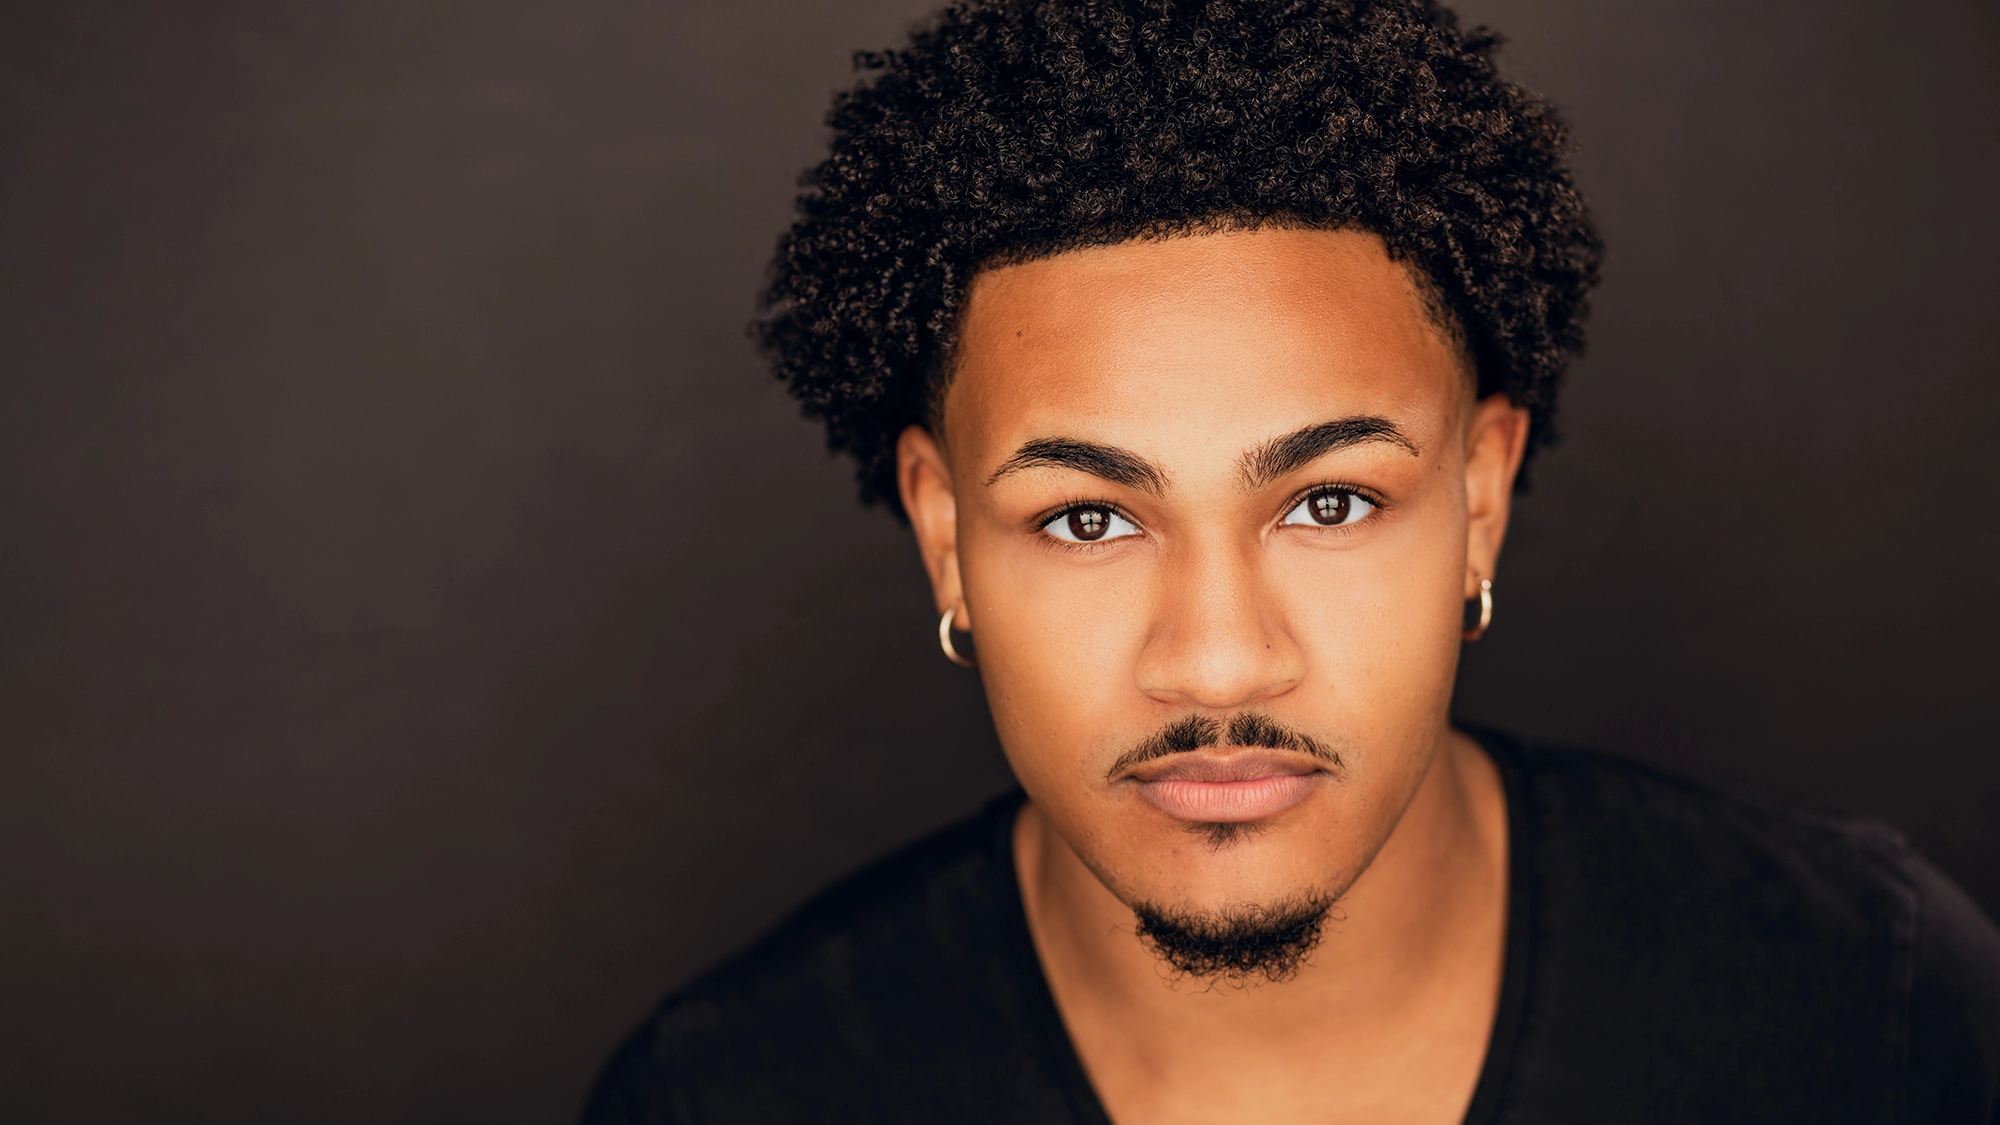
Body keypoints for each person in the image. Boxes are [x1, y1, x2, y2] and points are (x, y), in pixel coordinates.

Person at [583, 1, 2000, 1120]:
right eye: (1088, 517)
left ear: (1482, 500)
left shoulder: (1871, 1005)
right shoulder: (730, 1093)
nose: (1215, 657)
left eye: (1327, 503)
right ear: (946, 539)